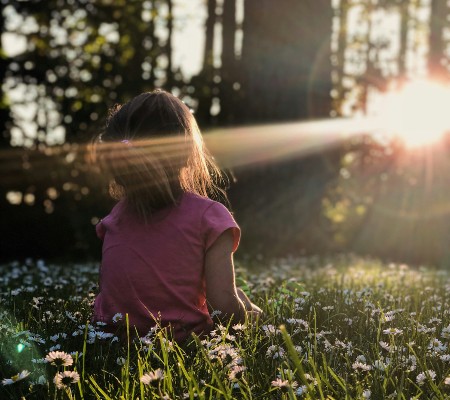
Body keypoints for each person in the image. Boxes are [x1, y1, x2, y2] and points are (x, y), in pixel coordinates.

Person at [92, 89, 262, 342]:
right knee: (242, 301)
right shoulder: (210, 217)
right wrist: (249, 316)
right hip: (182, 343)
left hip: (113, 340)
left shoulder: (114, 219)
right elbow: (223, 309)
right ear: (185, 153)